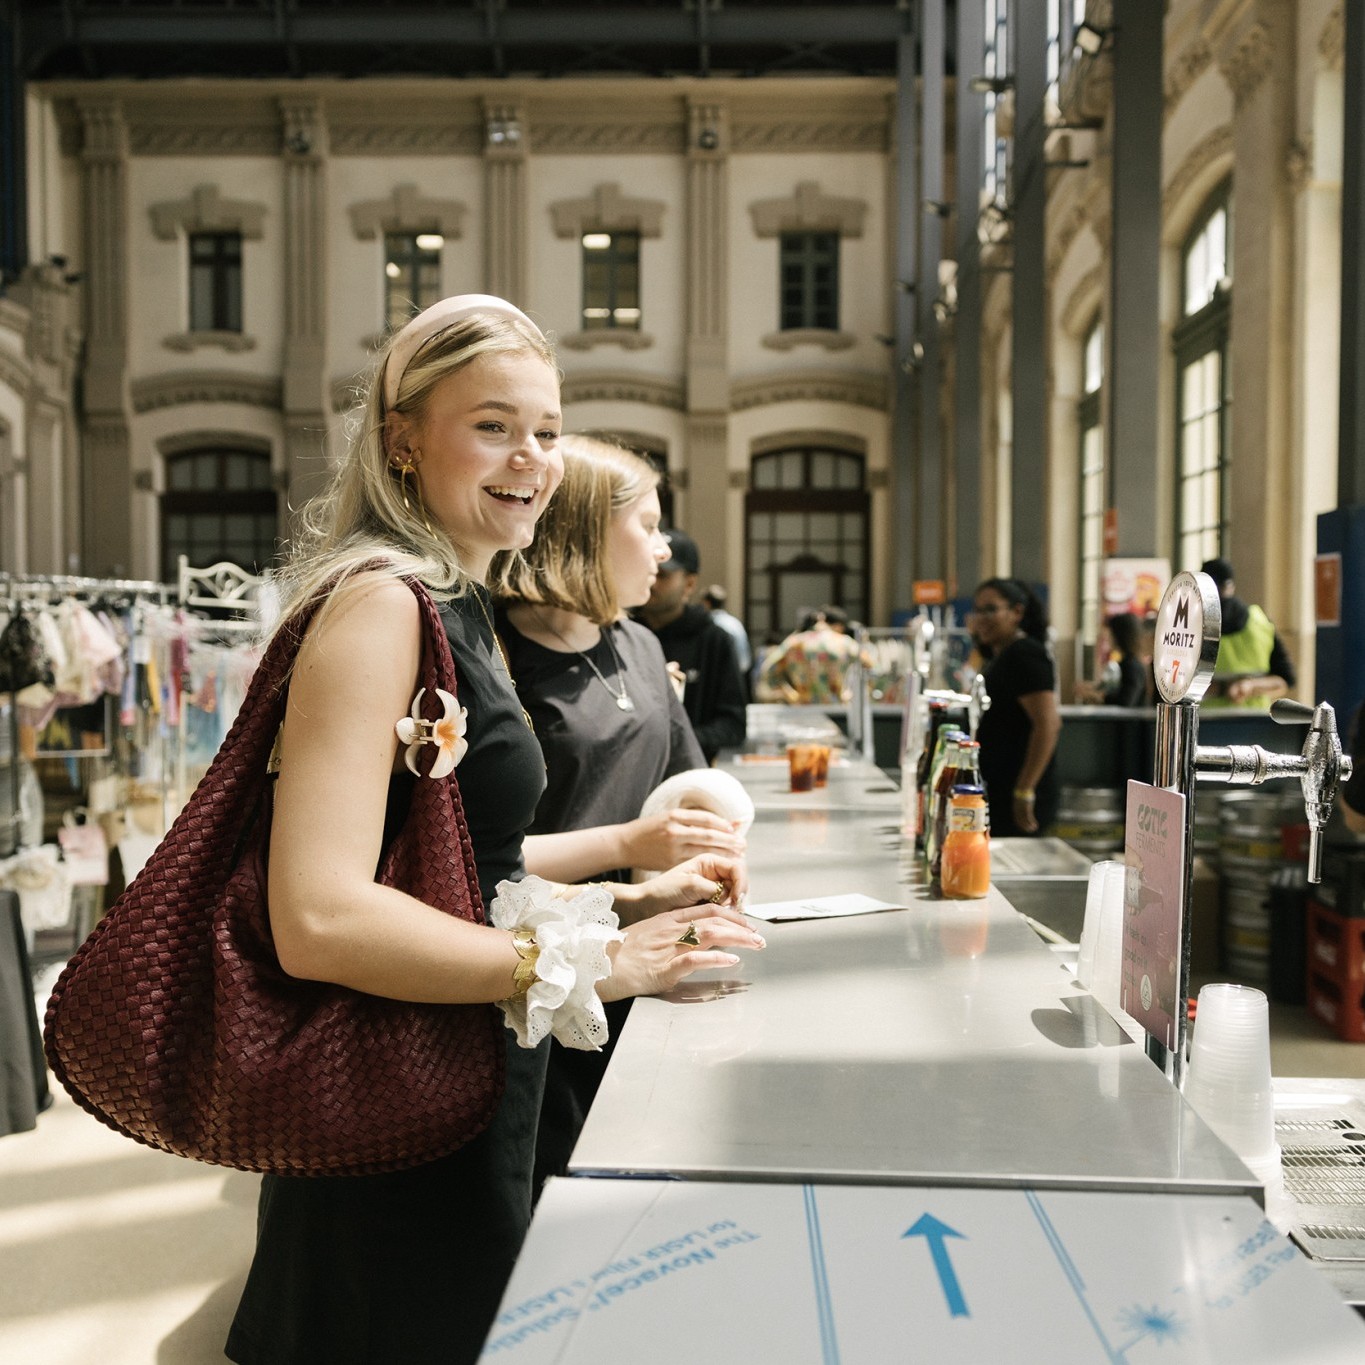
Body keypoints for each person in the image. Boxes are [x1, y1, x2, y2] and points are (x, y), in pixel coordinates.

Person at [224, 295, 764, 1365]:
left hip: (458, 1079)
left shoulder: (452, 603)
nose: (531, 457)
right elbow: (321, 916)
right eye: (493, 425)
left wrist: (626, 894)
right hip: (393, 1112)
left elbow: (468, 863)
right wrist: (595, 961)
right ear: (404, 442)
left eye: (549, 432)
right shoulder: (381, 605)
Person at [492, 435, 749, 1189]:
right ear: (579, 532)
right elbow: (475, 851)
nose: (664, 548)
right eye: (647, 523)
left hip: (637, 946)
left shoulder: (636, 642)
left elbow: (688, 777)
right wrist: (635, 842)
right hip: (532, 962)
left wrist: (716, 853)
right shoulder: (497, 655)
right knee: (545, 1166)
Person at [635, 528, 747, 762]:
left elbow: (733, 725)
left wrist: (674, 741)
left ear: (690, 584)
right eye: (649, 570)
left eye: (663, 575)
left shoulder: (715, 640)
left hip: (694, 772)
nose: (653, 581)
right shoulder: (622, 635)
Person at [971, 577, 1062, 837]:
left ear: (1017, 612)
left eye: (990, 609)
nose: (982, 618)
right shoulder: (1000, 655)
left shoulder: (1025, 654)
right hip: (998, 788)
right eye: (978, 610)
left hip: (1018, 793)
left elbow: (1048, 725)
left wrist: (1025, 789)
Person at [1201, 557, 1296, 705]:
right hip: (1255, 722)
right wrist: (1250, 686)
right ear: (1231, 586)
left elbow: (1175, 686)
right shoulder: (1260, 622)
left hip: (1207, 723)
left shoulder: (1192, 626)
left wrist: (1222, 688)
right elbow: (1285, 680)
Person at [754, 605, 865, 704]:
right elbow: (872, 666)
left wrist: (788, 694)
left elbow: (768, 669)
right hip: (835, 704)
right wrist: (852, 693)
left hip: (802, 704)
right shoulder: (843, 642)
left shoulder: (794, 642)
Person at [1074, 612, 1150, 708]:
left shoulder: (1131, 665)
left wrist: (1094, 695)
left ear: (1119, 636)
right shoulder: (1126, 663)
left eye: (1110, 634)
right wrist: (1092, 689)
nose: (1108, 639)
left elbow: (1126, 701)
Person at [701, 583, 753, 689]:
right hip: (737, 676)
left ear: (706, 603)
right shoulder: (735, 623)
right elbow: (745, 660)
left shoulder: (707, 625)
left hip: (713, 680)